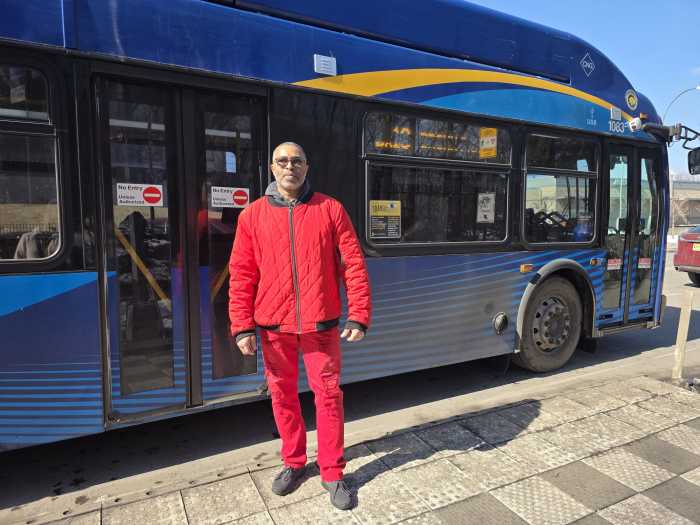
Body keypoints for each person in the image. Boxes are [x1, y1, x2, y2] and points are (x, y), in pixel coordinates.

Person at [228, 142, 371, 510]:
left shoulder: (330, 209)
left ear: (307, 167)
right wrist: (242, 326)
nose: (289, 166)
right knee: (282, 397)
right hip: (273, 327)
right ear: (272, 168)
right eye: (282, 161)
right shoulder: (252, 216)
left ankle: (332, 471)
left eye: (297, 161)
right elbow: (242, 274)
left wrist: (359, 314)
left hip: (320, 325)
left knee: (328, 397)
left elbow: (353, 263)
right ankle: (293, 462)